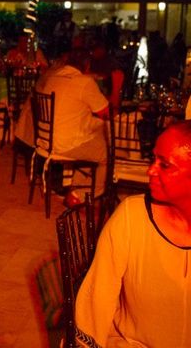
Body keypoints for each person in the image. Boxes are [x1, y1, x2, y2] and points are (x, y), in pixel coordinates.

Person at [75, 121, 191, 347]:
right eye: (153, 159)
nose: (150, 170)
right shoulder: (132, 217)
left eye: (165, 165)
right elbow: (97, 297)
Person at [36, 48, 109, 207]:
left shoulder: (52, 77)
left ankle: (75, 188)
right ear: (87, 66)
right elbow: (105, 112)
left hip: (45, 140)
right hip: (65, 145)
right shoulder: (84, 82)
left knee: (93, 138)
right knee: (107, 153)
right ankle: (80, 194)